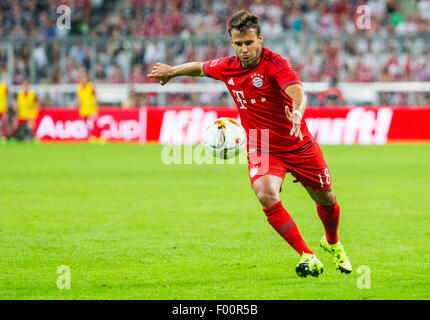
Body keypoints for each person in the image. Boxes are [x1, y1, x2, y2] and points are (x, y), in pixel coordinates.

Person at [148, 10, 351, 278]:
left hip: (297, 142)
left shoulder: (275, 64)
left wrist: (298, 112)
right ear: (232, 42)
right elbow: (200, 68)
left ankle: (332, 242)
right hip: (261, 143)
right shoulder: (227, 67)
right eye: (239, 43)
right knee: (265, 193)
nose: (245, 49)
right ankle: (306, 255)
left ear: (260, 39)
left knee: (326, 198)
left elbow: (297, 91)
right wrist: (172, 71)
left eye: (249, 42)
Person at [76, 71, 103, 143]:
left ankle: (99, 137)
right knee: (87, 125)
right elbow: (78, 98)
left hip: (91, 108)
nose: (83, 80)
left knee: (95, 124)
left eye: (84, 78)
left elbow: (95, 95)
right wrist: (78, 103)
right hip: (84, 109)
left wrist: (96, 104)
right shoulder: (79, 87)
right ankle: (91, 137)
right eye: (81, 78)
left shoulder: (90, 86)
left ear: (87, 79)